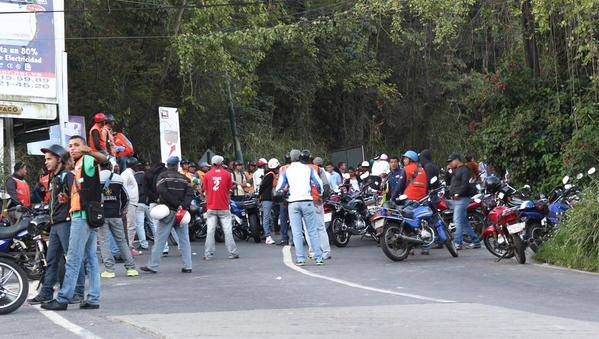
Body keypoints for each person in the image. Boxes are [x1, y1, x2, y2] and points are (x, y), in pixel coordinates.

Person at [42, 135, 107, 311]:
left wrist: (89, 151)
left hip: (82, 217)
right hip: (86, 215)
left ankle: (63, 299)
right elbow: (86, 190)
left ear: (84, 147)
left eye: (76, 145)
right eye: (70, 145)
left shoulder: (87, 159)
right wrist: (69, 198)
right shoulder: (78, 165)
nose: (72, 148)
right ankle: (93, 298)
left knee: (73, 258)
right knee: (91, 259)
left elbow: (106, 160)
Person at [28, 145, 85, 305]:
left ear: (59, 159)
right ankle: (46, 292)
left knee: (72, 258)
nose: (46, 162)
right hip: (55, 224)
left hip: (65, 223)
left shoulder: (67, 176)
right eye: (46, 159)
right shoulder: (54, 178)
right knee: (51, 259)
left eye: (49, 159)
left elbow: (76, 197)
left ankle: (78, 292)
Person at [141, 156, 194, 273]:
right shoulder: (185, 179)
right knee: (184, 240)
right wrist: (182, 206)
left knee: (160, 240)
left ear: (168, 165)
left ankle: (153, 266)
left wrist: (175, 204)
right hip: (181, 214)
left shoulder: (162, 177)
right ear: (177, 166)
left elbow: (162, 192)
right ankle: (188, 266)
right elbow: (190, 194)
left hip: (167, 212)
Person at [276, 149, 324, 266]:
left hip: (293, 203)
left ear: (291, 158)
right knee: (312, 230)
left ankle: (301, 259)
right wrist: (320, 194)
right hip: (307, 201)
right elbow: (319, 183)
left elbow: (279, 188)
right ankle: (318, 257)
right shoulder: (308, 169)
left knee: (297, 232)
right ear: (300, 157)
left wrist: (284, 194)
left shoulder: (286, 171)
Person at [97, 160, 139, 278]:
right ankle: (131, 268)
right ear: (110, 166)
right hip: (116, 215)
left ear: (99, 167)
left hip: (101, 215)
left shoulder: (95, 179)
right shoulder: (118, 178)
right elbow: (126, 197)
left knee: (104, 242)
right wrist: (122, 211)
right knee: (122, 242)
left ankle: (109, 270)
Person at [203, 155, 239, 260]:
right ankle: (233, 252)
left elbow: (205, 191)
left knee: (210, 231)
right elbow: (230, 188)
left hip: (211, 206)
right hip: (224, 207)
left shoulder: (207, 175)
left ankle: (208, 254)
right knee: (227, 231)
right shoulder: (227, 174)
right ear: (221, 163)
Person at [145, 154, 178, 256]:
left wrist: (154, 198)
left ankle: (163, 248)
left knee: (156, 226)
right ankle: (181, 245)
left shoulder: (148, 173)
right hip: (166, 201)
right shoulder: (166, 172)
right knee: (173, 224)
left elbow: (146, 189)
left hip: (153, 202)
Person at [447, 153, 481, 250]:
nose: (450, 163)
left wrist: (458, 194)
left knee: (457, 221)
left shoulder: (465, 169)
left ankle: (458, 243)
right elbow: (449, 181)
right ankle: (476, 241)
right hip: (456, 199)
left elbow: (465, 184)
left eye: (451, 161)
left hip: (462, 198)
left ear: (457, 160)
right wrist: (448, 171)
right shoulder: (455, 170)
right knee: (464, 222)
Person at [310, 156, 332, 260]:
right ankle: (326, 251)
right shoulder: (320, 170)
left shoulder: (305, 169)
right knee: (321, 227)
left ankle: (313, 251)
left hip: (307, 201)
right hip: (318, 201)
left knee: (309, 228)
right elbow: (326, 186)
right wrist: (323, 198)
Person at [121, 157, 143, 256]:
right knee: (130, 226)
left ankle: (129, 247)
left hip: (131, 203)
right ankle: (128, 247)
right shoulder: (127, 174)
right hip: (129, 204)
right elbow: (123, 188)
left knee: (131, 226)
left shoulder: (129, 174)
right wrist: (125, 205)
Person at [259, 158, 279, 245]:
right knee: (266, 217)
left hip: (269, 198)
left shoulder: (269, 175)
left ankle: (267, 234)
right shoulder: (270, 175)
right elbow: (262, 186)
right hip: (267, 198)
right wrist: (259, 195)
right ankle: (267, 236)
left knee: (269, 216)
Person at [133, 159, 150, 250]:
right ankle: (161, 244)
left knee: (139, 225)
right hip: (148, 202)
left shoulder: (133, 177)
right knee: (153, 223)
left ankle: (144, 244)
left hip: (138, 202)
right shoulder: (147, 176)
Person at [277, 153, 292, 245]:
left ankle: (284, 238)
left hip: (284, 195)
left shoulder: (282, 168)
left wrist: (280, 190)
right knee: (294, 219)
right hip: (293, 195)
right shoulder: (298, 168)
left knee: (283, 218)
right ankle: (294, 239)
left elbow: (280, 182)